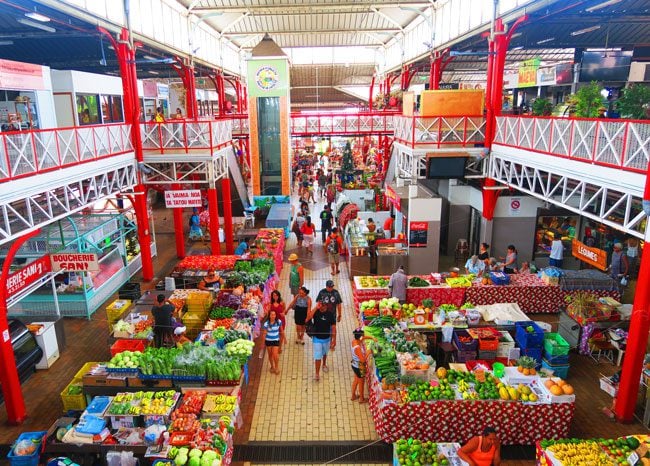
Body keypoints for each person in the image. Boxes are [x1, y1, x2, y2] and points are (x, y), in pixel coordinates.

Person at [305, 301, 337, 381]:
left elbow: (333, 328)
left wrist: (334, 340)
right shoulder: (316, 312)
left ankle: (324, 364)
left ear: (326, 306)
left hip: (327, 338)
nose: (321, 307)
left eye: (323, 305)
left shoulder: (330, 315)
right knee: (318, 356)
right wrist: (316, 308)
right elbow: (308, 318)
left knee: (325, 353)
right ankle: (317, 373)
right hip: (317, 338)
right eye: (320, 305)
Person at [351, 328, 376, 403]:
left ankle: (353, 396)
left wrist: (372, 338)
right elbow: (363, 360)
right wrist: (368, 352)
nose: (364, 337)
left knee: (356, 380)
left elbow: (363, 338)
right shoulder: (357, 348)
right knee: (361, 383)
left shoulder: (354, 341)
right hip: (359, 366)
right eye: (363, 335)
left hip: (354, 364)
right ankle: (361, 399)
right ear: (360, 337)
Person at [262, 309, 284, 375]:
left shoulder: (278, 322)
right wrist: (263, 343)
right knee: (270, 355)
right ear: (269, 316)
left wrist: (284, 339)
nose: (273, 316)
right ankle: (272, 366)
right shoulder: (266, 324)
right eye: (272, 315)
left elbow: (282, 331)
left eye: (274, 315)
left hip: (276, 340)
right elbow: (264, 333)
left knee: (275, 355)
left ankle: (276, 367)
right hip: (268, 341)